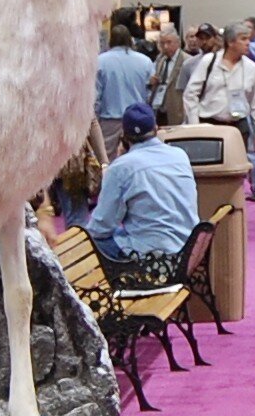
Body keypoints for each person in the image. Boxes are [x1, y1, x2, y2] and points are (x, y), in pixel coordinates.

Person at [83, 103, 196, 290]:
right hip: (185, 252)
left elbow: (101, 227)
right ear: (156, 129)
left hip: (152, 260)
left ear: (124, 136)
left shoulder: (121, 168)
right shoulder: (180, 156)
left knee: (92, 241)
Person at [188, 25, 255, 201]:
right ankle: (208, 203)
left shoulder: (251, 68)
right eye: (243, 39)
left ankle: (233, 204)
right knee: (209, 172)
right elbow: (191, 94)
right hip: (209, 124)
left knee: (236, 171)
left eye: (248, 39)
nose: (248, 43)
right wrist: (194, 125)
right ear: (230, 42)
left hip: (238, 126)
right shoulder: (209, 62)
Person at [93, 23, 155, 157]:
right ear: (130, 40)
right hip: (138, 118)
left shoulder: (99, 62)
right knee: (139, 157)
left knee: (107, 159)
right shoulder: (145, 62)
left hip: (110, 121)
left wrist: (94, 122)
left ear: (111, 40)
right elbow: (150, 93)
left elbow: (96, 96)